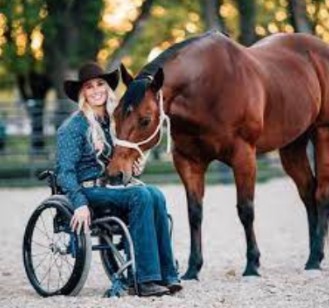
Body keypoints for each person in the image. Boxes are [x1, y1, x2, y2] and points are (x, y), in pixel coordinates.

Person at [55, 62, 182, 297]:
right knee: (141, 195)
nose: (96, 90)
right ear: (83, 94)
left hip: (110, 189)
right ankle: (145, 280)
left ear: (107, 88)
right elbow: (64, 172)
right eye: (89, 87)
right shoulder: (73, 127)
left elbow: (118, 163)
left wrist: (133, 167)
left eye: (100, 84)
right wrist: (79, 203)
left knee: (155, 194)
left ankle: (167, 274)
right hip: (87, 191)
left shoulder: (114, 123)